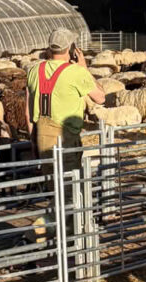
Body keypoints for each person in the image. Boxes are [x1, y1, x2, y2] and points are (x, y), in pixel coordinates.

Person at [26, 28, 106, 173]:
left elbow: (28, 112)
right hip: (66, 138)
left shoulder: (33, 70)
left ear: (49, 47)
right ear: (69, 48)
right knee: (70, 187)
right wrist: (84, 68)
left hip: (42, 139)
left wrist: (33, 142)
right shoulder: (76, 72)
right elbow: (100, 98)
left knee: (52, 186)